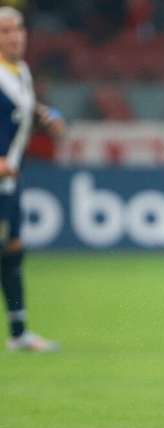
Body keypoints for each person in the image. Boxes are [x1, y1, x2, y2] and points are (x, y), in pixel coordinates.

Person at [0, 7, 64, 353]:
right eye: (7, 30)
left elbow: (25, 108)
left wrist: (48, 117)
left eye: (19, 29)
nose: (15, 36)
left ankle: (19, 332)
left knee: (12, 250)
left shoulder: (19, 71)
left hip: (8, 182)